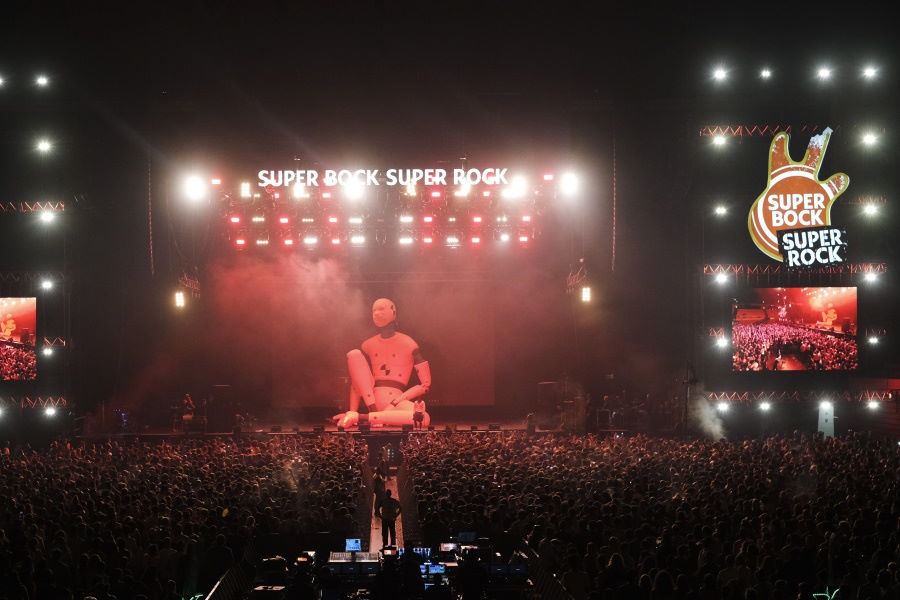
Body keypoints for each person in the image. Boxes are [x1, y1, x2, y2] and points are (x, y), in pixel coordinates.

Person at [333, 298, 432, 429]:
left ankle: (365, 418)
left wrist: (397, 401)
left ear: (393, 312)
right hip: (372, 398)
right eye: (374, 310)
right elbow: (358, 380)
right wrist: (352, 410)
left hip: (396, 400)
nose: (376, 313)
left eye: (381, 309)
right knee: (354, 355)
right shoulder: (368, 345)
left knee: (423, 418)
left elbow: (425, 384)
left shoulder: (408, 344)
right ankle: (371, 415)